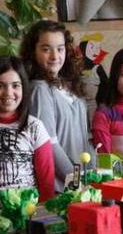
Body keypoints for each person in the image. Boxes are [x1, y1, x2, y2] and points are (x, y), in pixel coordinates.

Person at [21, 20, 94, 192]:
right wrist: (76, 184)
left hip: (81, 182)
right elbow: (50, 145)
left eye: (60, 49)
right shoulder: (40, 89)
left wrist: (91, 174)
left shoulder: (69, 85)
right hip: (61, 188)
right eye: (46, 49)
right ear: (33, 52)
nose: (55, 56)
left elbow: (84, 137)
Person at [0, 55, 54, 201]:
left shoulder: (35, 127)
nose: (8, 93)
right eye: (0, 86)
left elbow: (46, 181)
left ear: (24, 88)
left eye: (15, 85)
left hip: (28, 212)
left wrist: (43, 214)